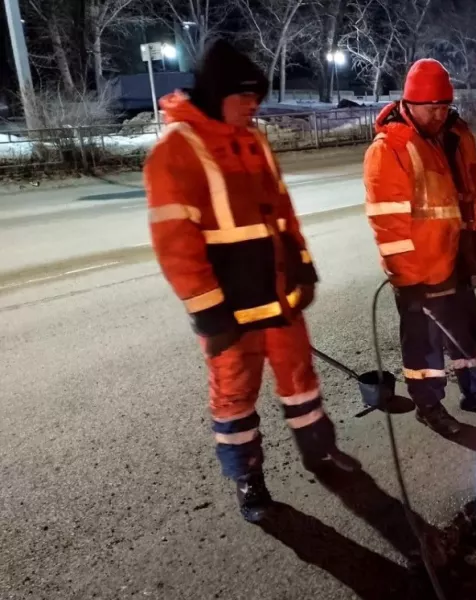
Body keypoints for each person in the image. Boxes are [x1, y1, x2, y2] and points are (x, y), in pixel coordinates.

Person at [144, 39, 351, 523]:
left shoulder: (253, 140)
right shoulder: (177, 150)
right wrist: (208, 312)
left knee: (300, 382)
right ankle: (247, 477)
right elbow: (176, 244)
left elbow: (282, 212)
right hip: (230, 308)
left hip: (278, 297)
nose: (254, 106)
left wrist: (303, 266)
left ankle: (319, 450)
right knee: (234, 396)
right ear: (218, 94)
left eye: (257, 97)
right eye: (245, 97)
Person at [362, 58, 476, 436]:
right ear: (409, 103)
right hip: (421, 269)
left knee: (466, 330)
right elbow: (388, 224)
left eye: (444, 106)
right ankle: (428, 405)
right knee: (424, 344)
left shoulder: (458, 135)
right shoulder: (391, 148)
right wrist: (406, 278)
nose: (438, 115)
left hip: (459, 257)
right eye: (430, 108)